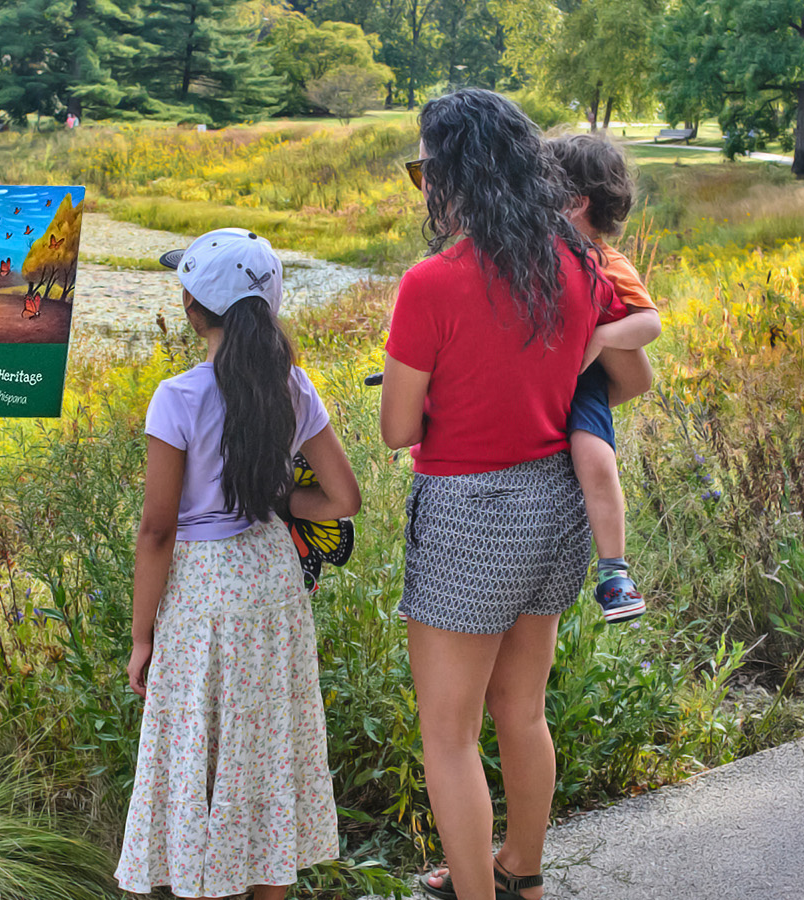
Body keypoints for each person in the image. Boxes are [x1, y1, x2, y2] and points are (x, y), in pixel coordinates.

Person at [381, 89, 632, 900]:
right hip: (555, 503)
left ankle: (474, 893)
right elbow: (630, 374)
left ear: (452, 176)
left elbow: (395, 428)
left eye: (425, 172)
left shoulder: (433, 283)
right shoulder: (578, 264)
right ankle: (522, 870)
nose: (424, 187)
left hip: (467, 514)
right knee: (521, 713)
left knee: (448, 737)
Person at [116, 227, 361, 900]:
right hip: (270, 578)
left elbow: (157, 530)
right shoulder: (291, 385)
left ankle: (206, 880)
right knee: (262, 751)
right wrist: (275, 494)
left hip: (202, 590)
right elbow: (343, 498)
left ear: (194, 311)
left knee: (205, 749)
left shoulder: (178, 396)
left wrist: (142, 639)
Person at [545, 133, 663, 624]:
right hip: (541, 377)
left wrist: (601, 339)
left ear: (574, 203)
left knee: (594, 458)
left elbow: (649, 322)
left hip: (584, 380)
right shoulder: (536, 250)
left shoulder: (607, 262)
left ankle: (614, 570)